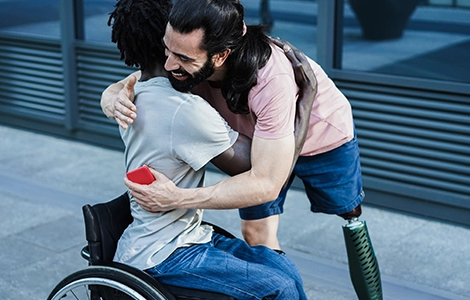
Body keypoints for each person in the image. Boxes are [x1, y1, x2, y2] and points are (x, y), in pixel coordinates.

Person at [102, 0, 366, 252]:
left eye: (182, 57)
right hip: (258, 145)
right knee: (255, 232)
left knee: (349, 215)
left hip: (321, 135)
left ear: (220, 56)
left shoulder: (271, 79)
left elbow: (267, 183)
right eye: (166, 50)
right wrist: (112, 94)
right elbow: (141, 77)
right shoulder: (187, 59)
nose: (170, 65)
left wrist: (176, 198)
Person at [106, 0, 306, 299]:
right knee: (281, 286)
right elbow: (251, 167)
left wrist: (108, 93)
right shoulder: (184, 110)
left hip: (178, 236)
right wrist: (296, 108)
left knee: (280, 266)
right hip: (163, 253)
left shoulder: (134, 94)